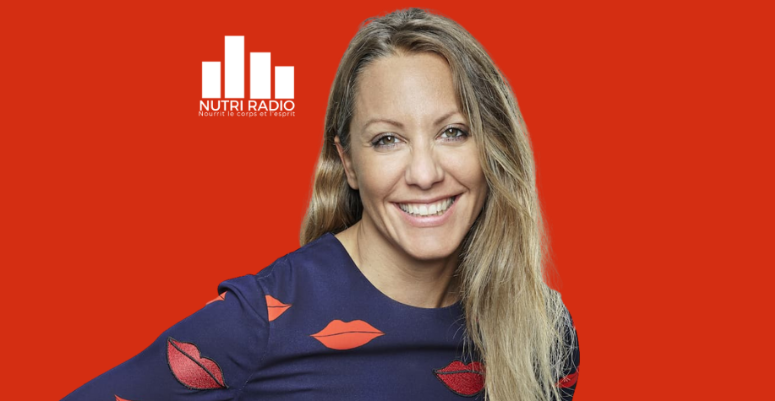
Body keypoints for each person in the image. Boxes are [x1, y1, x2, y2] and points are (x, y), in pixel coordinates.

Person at [61, 8, 579, 401]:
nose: (424, 174)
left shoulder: (545, 332)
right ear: (348, 163)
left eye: (453, 132)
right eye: (387, 140)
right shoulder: (258, 322)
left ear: (495, 147)